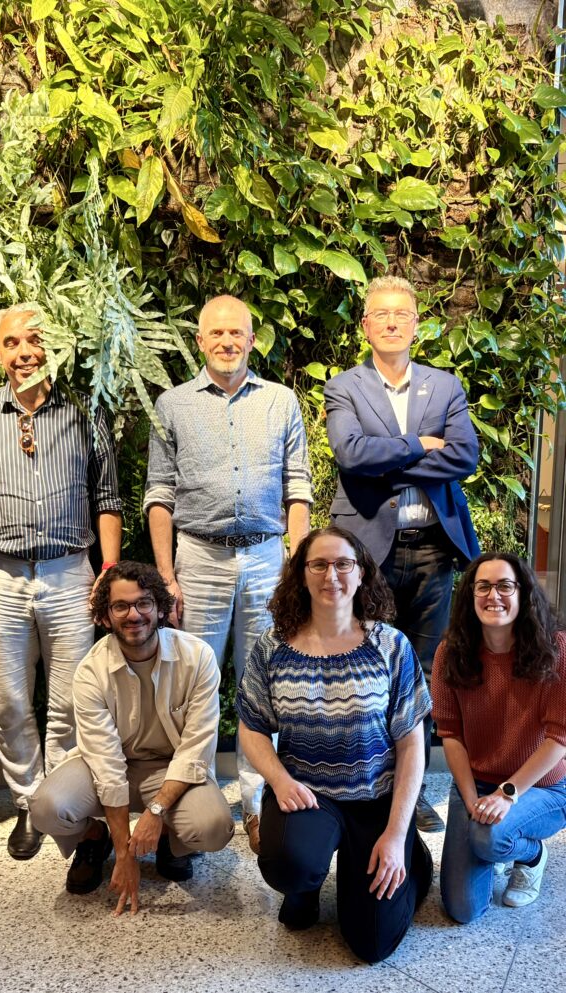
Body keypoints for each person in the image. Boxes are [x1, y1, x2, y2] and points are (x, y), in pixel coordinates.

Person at [144, 293, 312, 854]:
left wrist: (297, 565)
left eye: (236, 332)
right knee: (193, 683)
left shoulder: (281, 401)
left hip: (266, 556)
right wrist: (166, 576)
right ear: (199, 341)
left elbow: (297, 486)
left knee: (264, 682)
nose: (226, 341)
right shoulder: (172, 405)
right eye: (216, 333)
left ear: (251, 340)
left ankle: (258, 803)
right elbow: (159, 493)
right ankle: (194, 797)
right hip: (198, 558)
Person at [0, 303, 123, 859]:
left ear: (54, 346)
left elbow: (107, 497)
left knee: (71, 702)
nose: (25, 352)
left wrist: (107, 573)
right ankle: (28, 803)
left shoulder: (86, 411)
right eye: (12, 342)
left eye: (36, 340)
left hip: (70, 572)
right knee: (9, 701)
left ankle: (62, 802)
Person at [325, 274, 480, 832]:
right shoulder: (344, 387)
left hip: (433, 550)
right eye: (381, 315)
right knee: (365, 667)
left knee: (423, 673)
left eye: (402, 315)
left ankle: (412, 791)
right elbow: (349, 453)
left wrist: (387, 460)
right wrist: (419, 445)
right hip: (369, 553)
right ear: (366, 326)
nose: (392, 323)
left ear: (417, 325)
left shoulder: (444, 386)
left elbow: (464, 457)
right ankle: (367, 785)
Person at [236, 526, 433, 963]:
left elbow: (411, 745)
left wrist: (395, 834)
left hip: (376, 798)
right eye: (319, 564)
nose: (331, 575)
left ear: (361, 573)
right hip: (307, 794)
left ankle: (413, 859)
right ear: (301, 575)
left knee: (372, 945)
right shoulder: (272, 647)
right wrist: (280, 781)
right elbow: (251, 727)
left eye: (343, 564)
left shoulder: (391, 646)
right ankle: (305, 887)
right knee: (288, 865)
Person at [29, 561, 233, 913]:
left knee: (213, 827)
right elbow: (106, 764)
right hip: (108, 765)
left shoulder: (197, 657)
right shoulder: (91, 671)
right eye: (120, 606)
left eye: (143, 603)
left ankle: (169, 836)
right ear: (105, 616)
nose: (134, 615)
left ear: (160, 608)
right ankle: (95, 838)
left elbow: (195, 748)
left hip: (171, 769)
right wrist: (125, 853)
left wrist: (156, 812)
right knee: (46, 809)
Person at [433, 552, 566, 923]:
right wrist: (471, 799)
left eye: (505, 586)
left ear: (523, 593)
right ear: (470, 595)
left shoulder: (556, 649)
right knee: (462, 909)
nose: (494, 596)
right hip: (476, 781)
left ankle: (531, 856)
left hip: (544, 787)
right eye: (483, 586)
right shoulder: (450, 652)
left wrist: (507, 794)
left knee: (489, 838)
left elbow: (559, 737)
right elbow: (450, 734)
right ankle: (495, 840)